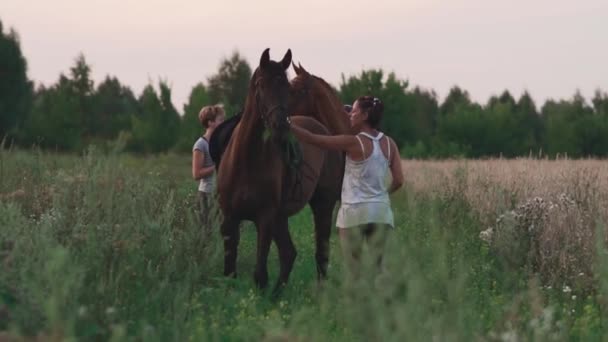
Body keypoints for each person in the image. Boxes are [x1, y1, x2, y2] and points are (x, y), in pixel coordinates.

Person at [289, 96, 404, 275]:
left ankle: (358, 302)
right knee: (378, 268)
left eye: (354, 111)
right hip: (381, 212)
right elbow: (399, 180)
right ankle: (382, 301)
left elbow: (314, 139)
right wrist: (382, 196)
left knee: (354, 271)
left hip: (354, 213)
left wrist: (287, 123)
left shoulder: (352, 142)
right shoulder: (390, 144)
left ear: (364, 115)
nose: (349, 114)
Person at [192, 104, 225, 234]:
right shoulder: (200, 145)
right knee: (206, 235)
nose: (223, 123)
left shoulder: (221, 142)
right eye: (220, 120)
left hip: (221, 195)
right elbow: (196, 174)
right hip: (206, 195)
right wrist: (217, 165)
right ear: (210, 123)